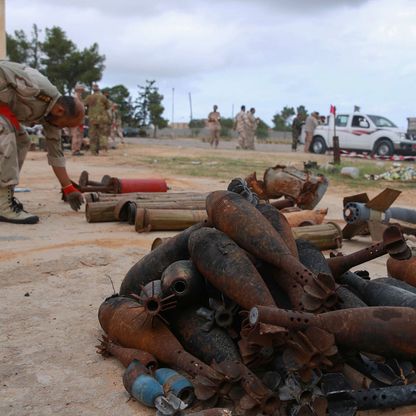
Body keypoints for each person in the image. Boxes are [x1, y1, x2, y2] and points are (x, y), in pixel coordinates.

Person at [0, 60, 85, 224]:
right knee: (4, 129)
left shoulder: (52, 117)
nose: (64, 129)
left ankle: (2, 195)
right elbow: (2, 68)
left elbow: (56, 154)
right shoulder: (36, 87)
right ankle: (3, 205)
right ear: (60, 111)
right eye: (66, 125)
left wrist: (68, 188)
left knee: (21, 139)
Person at [84, 83, 110, 155]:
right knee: (103, 134)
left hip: (92, 119)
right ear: (99, 89)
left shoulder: (89, 97)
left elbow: (83, 105)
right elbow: (108, 107)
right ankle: (103, 150)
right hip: (102, 118)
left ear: (93, 90)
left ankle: (93, 152)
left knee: (92, 135)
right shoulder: (103, 97)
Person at [70, 82, 85, 156]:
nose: (82, 91)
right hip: (76, 119)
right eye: (81, 89)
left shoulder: (79, 98)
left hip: (80, 120)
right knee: (76, 135)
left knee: (80, 135)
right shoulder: (75, 98)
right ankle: (74, 150)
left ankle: (77, 149)